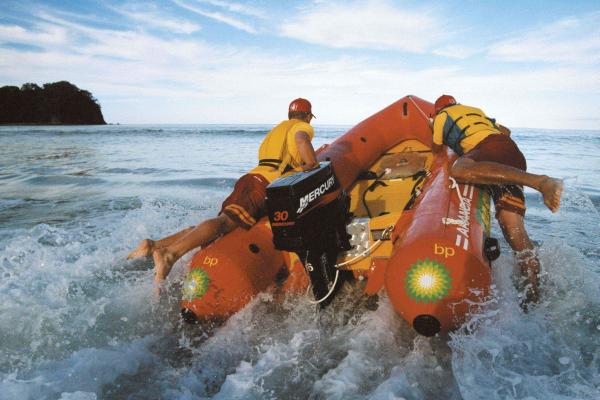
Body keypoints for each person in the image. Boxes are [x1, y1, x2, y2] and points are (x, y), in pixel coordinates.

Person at [127, 98, 319, 291]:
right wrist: (311, 164)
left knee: (220, 230)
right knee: (224, 224)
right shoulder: (302, 126)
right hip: (263, 185)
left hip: (249, 179)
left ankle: (154, 246)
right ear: (307, 116)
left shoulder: (275, 131)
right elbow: (302, 139)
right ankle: (170, 255)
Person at [431, 95, 563, 310]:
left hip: (489, 150)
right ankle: (534, 298)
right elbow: (506, 131)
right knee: (516, 234)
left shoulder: (442, 116)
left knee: (460, 169)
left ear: (438, 110)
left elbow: (436, 148)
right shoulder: (475, 111)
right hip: (512, 153)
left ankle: (540, 182)